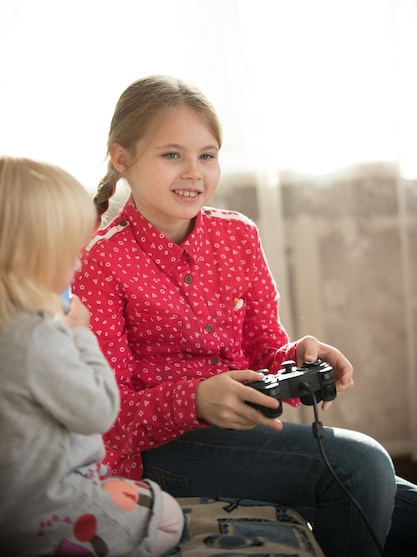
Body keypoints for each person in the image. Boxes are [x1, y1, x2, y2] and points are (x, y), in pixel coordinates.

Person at [72, 74, 417, 557]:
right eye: (172, 154)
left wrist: (299, 359)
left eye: (207, 155)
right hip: (161, 452)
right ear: (122, 157)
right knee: (361, 466)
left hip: (246, 435)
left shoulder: (238, 236)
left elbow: (264, 349)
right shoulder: (98, 260)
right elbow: (106, 412)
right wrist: (194, 401)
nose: (194, 172)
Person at [0, 156, 184, 557]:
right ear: (34, 255)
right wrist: (80, 334)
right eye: (70, 253)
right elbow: (100, 411)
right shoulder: (36, 336)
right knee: (167, 514)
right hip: (46, 510)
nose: (80, 262)